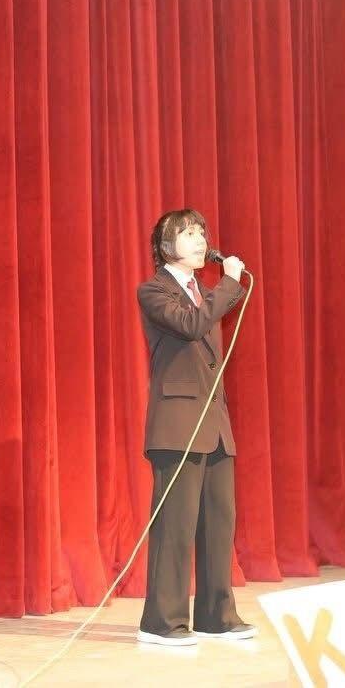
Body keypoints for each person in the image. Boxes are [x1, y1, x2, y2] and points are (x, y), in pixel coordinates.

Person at [134, 209, 257, 647]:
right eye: (188, 233)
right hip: (177, 425)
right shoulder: (154, 290)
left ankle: (215, 616)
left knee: (218, 523)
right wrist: (229, 284)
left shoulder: (206, 293)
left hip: (214, 423)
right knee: (175, 525)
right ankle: (161, 623)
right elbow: (191, 325)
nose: (200, 239)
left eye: (202, 232)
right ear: (166, 245)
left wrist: (221, 289)